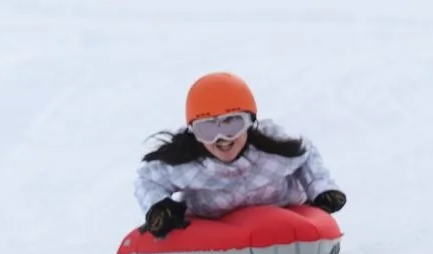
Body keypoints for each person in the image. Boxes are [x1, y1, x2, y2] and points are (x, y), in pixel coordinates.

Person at [135, 71, 348, 238]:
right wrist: (159, 208)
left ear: (249, 122)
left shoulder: (273, 149)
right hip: (216, 227)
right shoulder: (190, 164)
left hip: (284, 214)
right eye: (207, 129)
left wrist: (322, 190)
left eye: (232, 124)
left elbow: (306, 153)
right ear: (193, 133)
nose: (221, 138)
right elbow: (148, 179)